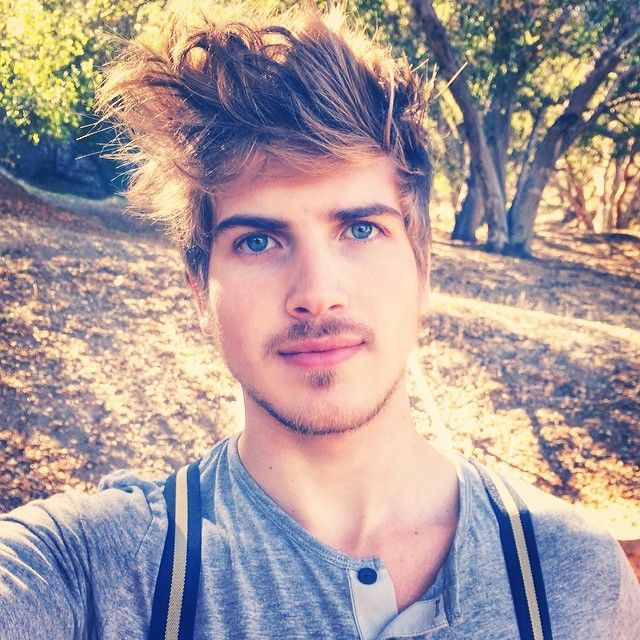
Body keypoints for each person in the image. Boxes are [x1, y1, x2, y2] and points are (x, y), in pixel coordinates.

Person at [1, 2, 638, 639]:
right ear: (200, 288)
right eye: (257, 241)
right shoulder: (97, 574)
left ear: (422, 265)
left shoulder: (572, 577)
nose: (317, 294)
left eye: (361, 229)